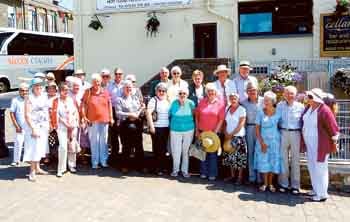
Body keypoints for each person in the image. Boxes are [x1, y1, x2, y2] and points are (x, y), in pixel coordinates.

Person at [301, 88, 339, 202]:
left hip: (320, 144)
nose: (307, 98)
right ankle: (316, 189)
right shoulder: (308, 108)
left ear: (316, 98)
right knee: (312, 166)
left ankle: (322, 194)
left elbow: (333, 128)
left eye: (310, 96)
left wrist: (334, 141)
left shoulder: (324, 110)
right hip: (310, 143)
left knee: (320, 168)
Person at [81, 73, 114, 169]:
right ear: (92, 82)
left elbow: (109, 105)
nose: (97, 83)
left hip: (104, 120)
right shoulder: (88, 92)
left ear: (101, 82)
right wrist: (84, 116)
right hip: (92, 120)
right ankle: (95, 162)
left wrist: (111, 117)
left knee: (103, 141)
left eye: (98, 81)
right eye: (95, 82)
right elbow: (83, 105)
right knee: (94, 141)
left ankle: (103, 161)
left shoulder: (105, 92)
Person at [277, 86, 304, 194]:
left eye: (292, 93)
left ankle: (295, 185)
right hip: (283, 133)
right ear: (284, 94)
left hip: (296, 133)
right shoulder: (279, 106)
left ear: (296, 95)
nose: (289, 95)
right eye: (287, 93)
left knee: (295, 160)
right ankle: (283, 184)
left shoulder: (301, 107)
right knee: (283, 159)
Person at [195, 83, 225, 181]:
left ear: (216, 92)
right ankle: (203, 172)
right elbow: (197, 117)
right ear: (206, 93)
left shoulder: (220, 103)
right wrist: (197, 130)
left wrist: (214, 133)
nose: (211, 93)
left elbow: (221, 119)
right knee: (202, 153)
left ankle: (212, 173)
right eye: (209, 91)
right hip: (202, 132)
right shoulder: (202, 102)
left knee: (212, 154)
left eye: (212, 91)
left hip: (214, 133)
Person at [254, 91, 283, 192]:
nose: (266, 102)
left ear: (273, 101)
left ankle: (271, 184)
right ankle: (265, 183)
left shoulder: (279, 112)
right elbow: (257, 129)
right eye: (265, 100)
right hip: (263, 141)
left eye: (268, 100)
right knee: (264, 162)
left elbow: (281, 127)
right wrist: (261, 143)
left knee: (273, 161)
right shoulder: (260, 112)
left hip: (275, 141)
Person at [116, 80, 145, 173]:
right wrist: (130, 114)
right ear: (123, 88)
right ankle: (124, 166)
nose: (128, 89)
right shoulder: (119, 99)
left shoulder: (135, 98)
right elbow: (118, 113)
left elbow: (140, 108)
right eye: (126, 87)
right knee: (126, 147)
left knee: (139, 146)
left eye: (130, 87)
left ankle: (140, 166)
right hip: (125, 125)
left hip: (136, 124)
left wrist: (140, 110)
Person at [24, 78, 50, 181]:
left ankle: (38, 168)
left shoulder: (44, 96)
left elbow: (46, 111)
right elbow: (27, 115)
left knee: (40, 148)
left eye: (40, 85)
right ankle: (32, 171)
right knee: (33, 148)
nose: (39, 87)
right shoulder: (29, 98)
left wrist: (48, 124)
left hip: (43, 125)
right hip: (33, 126)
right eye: (36, 85)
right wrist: (33, 128)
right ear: (32, 87)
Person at [52, 83, 80, 177]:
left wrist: (74, 123)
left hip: (72, 126)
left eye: (67, 90)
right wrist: (65, 123)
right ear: (59, 91)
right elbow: (56, 115)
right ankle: (61, 168)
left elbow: (76, 112)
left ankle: (72, 165)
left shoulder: (71, 100)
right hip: (62, 127)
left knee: (72, 145)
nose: (66, 92)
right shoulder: (56, 101)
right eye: (64, 90)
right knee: (63, 147)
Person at [169, 87, 195, 178]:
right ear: (178, 95)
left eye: (184, 93)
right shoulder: (173, 103)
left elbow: (194, 115)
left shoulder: (191, 103)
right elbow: (169, 115)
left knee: (186, 151)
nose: (182, 95)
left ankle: (185, 171)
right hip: (175, 130)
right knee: (176, 151)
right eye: (180, 93)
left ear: (187, 95)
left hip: (189, 130)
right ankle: (175, 170)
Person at [241, 82, 264, 184]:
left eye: (253, 90)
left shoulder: (263, 101)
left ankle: (260, 178)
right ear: (247, 92)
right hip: (249, 128)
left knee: (259, 153)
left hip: (261, 129)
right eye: (249, 90)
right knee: (250, 153)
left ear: (257, 90)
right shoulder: (244, 103)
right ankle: (252, 177)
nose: (251, 92)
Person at [222, 93, 247, 184]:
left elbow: (241, 124)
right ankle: (232, 176)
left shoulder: (242, 109)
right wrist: (225, 132)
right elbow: (225, 122)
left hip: (238, 136)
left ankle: (239, 177)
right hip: (228, 135)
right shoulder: (227, 108)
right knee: (230, 157)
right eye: (231, 98)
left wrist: (232, 134)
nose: (233, 99)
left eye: (235, 98)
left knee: (239, 158)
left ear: (238, 99)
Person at [146, 82, 170, 175]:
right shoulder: (153, 100)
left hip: (165, 127)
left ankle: (162, 167)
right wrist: (151, 126)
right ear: (156, 91)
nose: (161, 92)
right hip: (156, 128)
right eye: (159, 90)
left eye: (163, 91)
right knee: (157, 149)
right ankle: (157, 168)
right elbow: (148, 113)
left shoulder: (167, 101)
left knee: (163, 149)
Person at [9, 83, 29, 166]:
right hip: (20, 126)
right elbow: (12, 113)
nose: (24, 92)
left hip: (29, 126)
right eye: (22, 91)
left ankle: (28, 158)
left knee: (29, 143)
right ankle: (16, 160)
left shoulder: (30, 99)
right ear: (19, 91)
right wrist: (16, 126)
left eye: (26, 91)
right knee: (18, 142)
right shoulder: (15, 100)